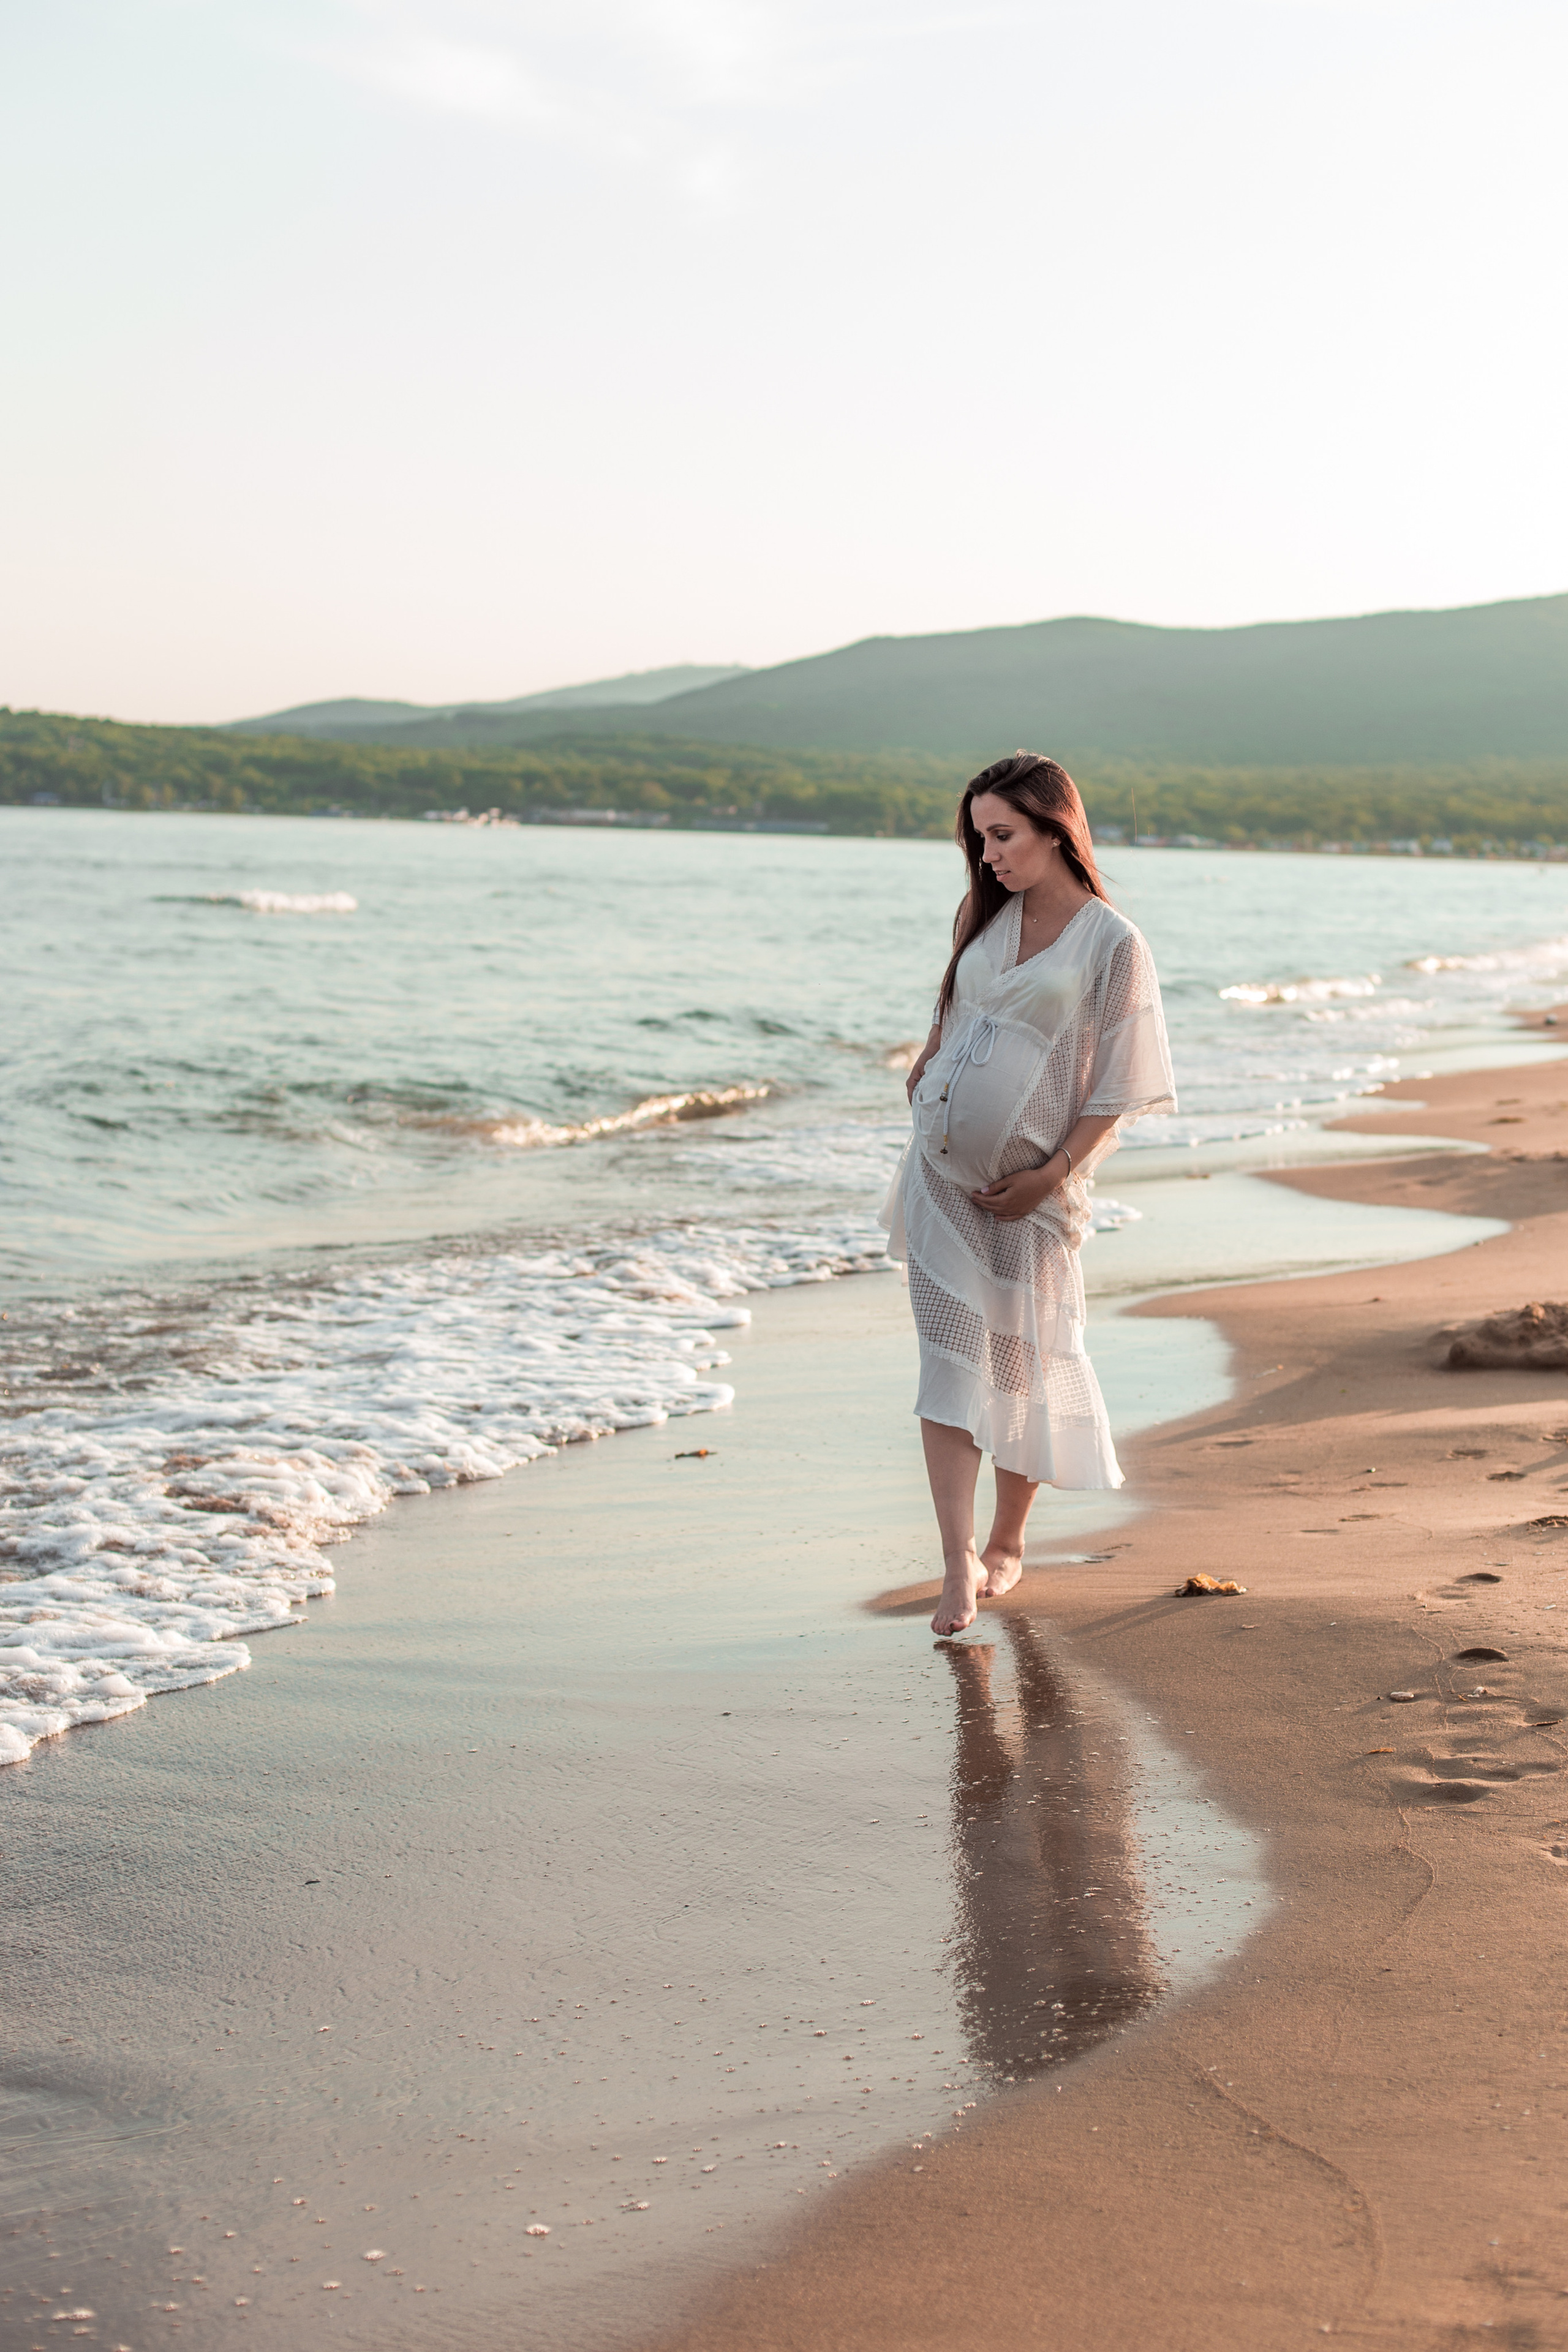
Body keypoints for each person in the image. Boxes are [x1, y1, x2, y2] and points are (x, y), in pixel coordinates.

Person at [881, 751, 1175, 1637]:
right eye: (981, 839)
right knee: (947, 1366)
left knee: (1020, 1365)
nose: (992, 854)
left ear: (1057, 828)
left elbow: (1119, 1088)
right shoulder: (980, 913)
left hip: (1030, 1197)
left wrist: (1052, 1175)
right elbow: (956, 1015)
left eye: (1004, 835)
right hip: (938, 1181)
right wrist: (929, 1061)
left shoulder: (1112, 943)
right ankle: (954, 1564)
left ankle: (1007, 1544)